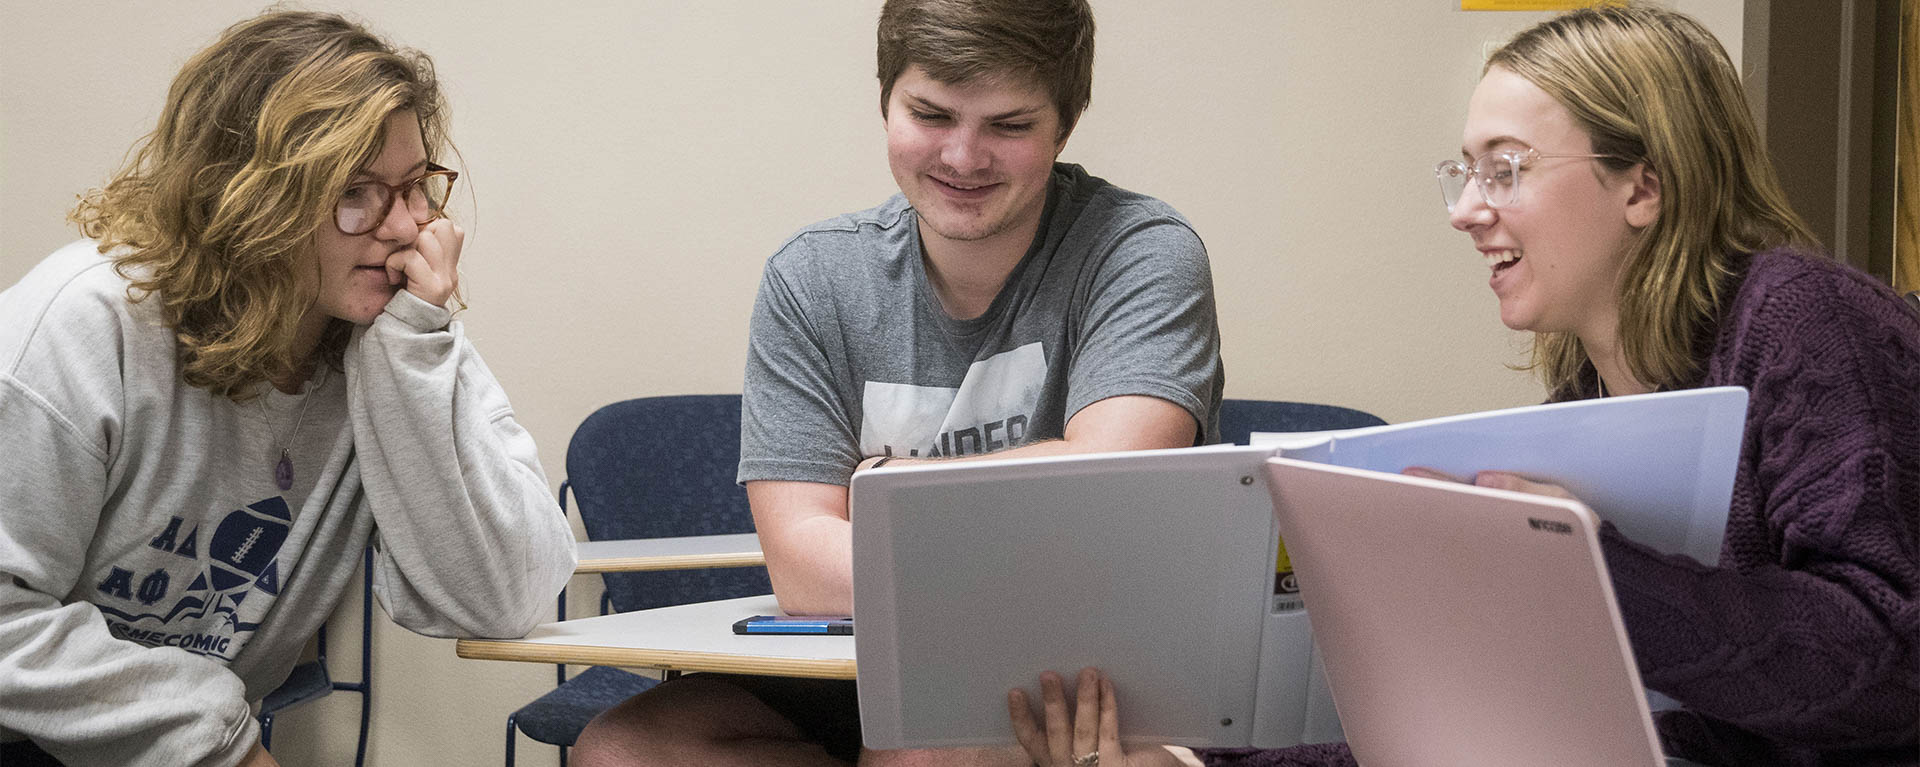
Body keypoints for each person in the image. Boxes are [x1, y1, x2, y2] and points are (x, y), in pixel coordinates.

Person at [571, 0, 1224, 764]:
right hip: (856, 663)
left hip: (1069, 671)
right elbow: (803, 565)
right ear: (886, 101)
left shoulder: (1142, 254)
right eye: (931, 113)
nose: (963, 156)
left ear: (1064, 127)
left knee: (927, 754)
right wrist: (1028, 541)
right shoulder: (813, 277)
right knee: (622, 749)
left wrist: (888, 488)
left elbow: (1108, 486)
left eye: (1009, 125)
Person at [0, 12, 577, 767]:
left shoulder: (396, 336)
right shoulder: (83, 321)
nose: (408, 227)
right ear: (247, 198)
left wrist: (415, 354)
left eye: (415, 188)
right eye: (357, 193)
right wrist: (217, 741)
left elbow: (500, 598)